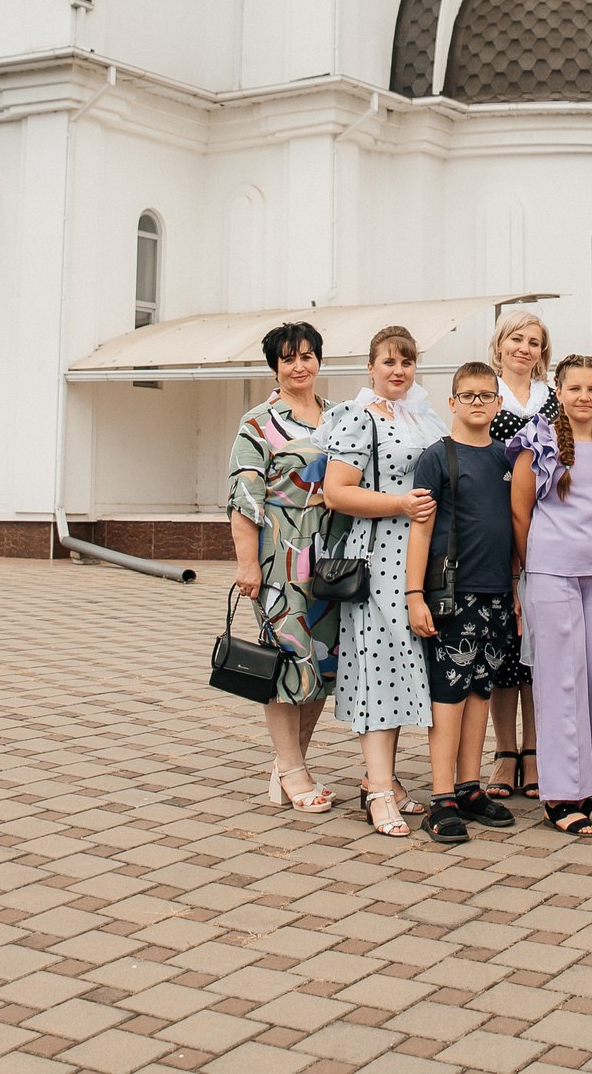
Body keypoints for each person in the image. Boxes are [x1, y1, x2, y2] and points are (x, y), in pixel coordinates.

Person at [509, 353, 592, 837]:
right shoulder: (539, 441)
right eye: (574, 389)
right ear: (559, 393)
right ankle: (559, 795)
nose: (584, 397)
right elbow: (520, 513)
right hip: (551, 573)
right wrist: (532, 573)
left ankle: (588, 790)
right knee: (559, 681)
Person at [321, 326, 445, 837]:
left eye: (407, 362)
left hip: (417, 557)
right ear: (370, 368)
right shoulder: (357, 417)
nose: (398, 371)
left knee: (399, 666)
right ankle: (377, 792)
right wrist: (398, 504)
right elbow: (336, 493)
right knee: (376, 667)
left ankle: (388, 779)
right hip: (376, 557)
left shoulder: (421, 416)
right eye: (389, 362)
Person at [406, 362, 525, 844]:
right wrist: (415, 595)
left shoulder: (506, 458)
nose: (477, 402)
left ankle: (470, 785)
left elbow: (517, 525)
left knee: (481, 689)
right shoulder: (438, 458)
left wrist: (516, 589)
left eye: (486, 395)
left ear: (499, 404)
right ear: (451, 403)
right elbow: (421, 528)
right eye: (467, 395)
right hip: (453, 596)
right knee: (449, 694)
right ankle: (441, 798)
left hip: (498, 593)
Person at [226, 321, 342, 814]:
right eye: (289, 358)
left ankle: (290, 763)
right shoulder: (258, 421)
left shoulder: (340, 417)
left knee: (322, 663)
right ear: (275, 365)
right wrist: (248, 564)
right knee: (286, 661)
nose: (300, 366)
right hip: (279, 556)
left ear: (319, 360)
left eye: (308, 356)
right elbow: (244, 498)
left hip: (333, 558)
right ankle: (293, 770)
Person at [484, 308, 552, 801]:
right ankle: (504, 752)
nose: (524, 348)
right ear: (501, 344)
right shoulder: (485, 392)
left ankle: (535, 751)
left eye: (534, 341)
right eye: (516, 339)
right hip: (495, 527)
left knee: (538, 651)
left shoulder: (554, 397)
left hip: (548, 531)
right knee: (504, 648)